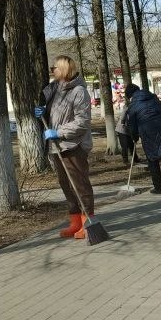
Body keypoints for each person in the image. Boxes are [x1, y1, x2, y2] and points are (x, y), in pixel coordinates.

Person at [36, 55, 96, 239]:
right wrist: (42, 111)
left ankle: (89, 223)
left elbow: (82, 122)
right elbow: (52, 112)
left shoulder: (79, 91)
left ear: (64, 69)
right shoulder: (55, 89)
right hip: (56, 146)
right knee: (65, 185)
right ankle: (75, 222)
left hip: (73, 145)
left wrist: (59, 132)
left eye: (55, 68)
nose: (52, 70)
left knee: (79, 185)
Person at [124, 82, 161, 193]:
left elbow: (132, 125)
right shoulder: (153, 98)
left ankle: (158, 188)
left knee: (153, 160)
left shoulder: (132, 106)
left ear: (130, 96)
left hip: (150, 132)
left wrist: (134, 137)